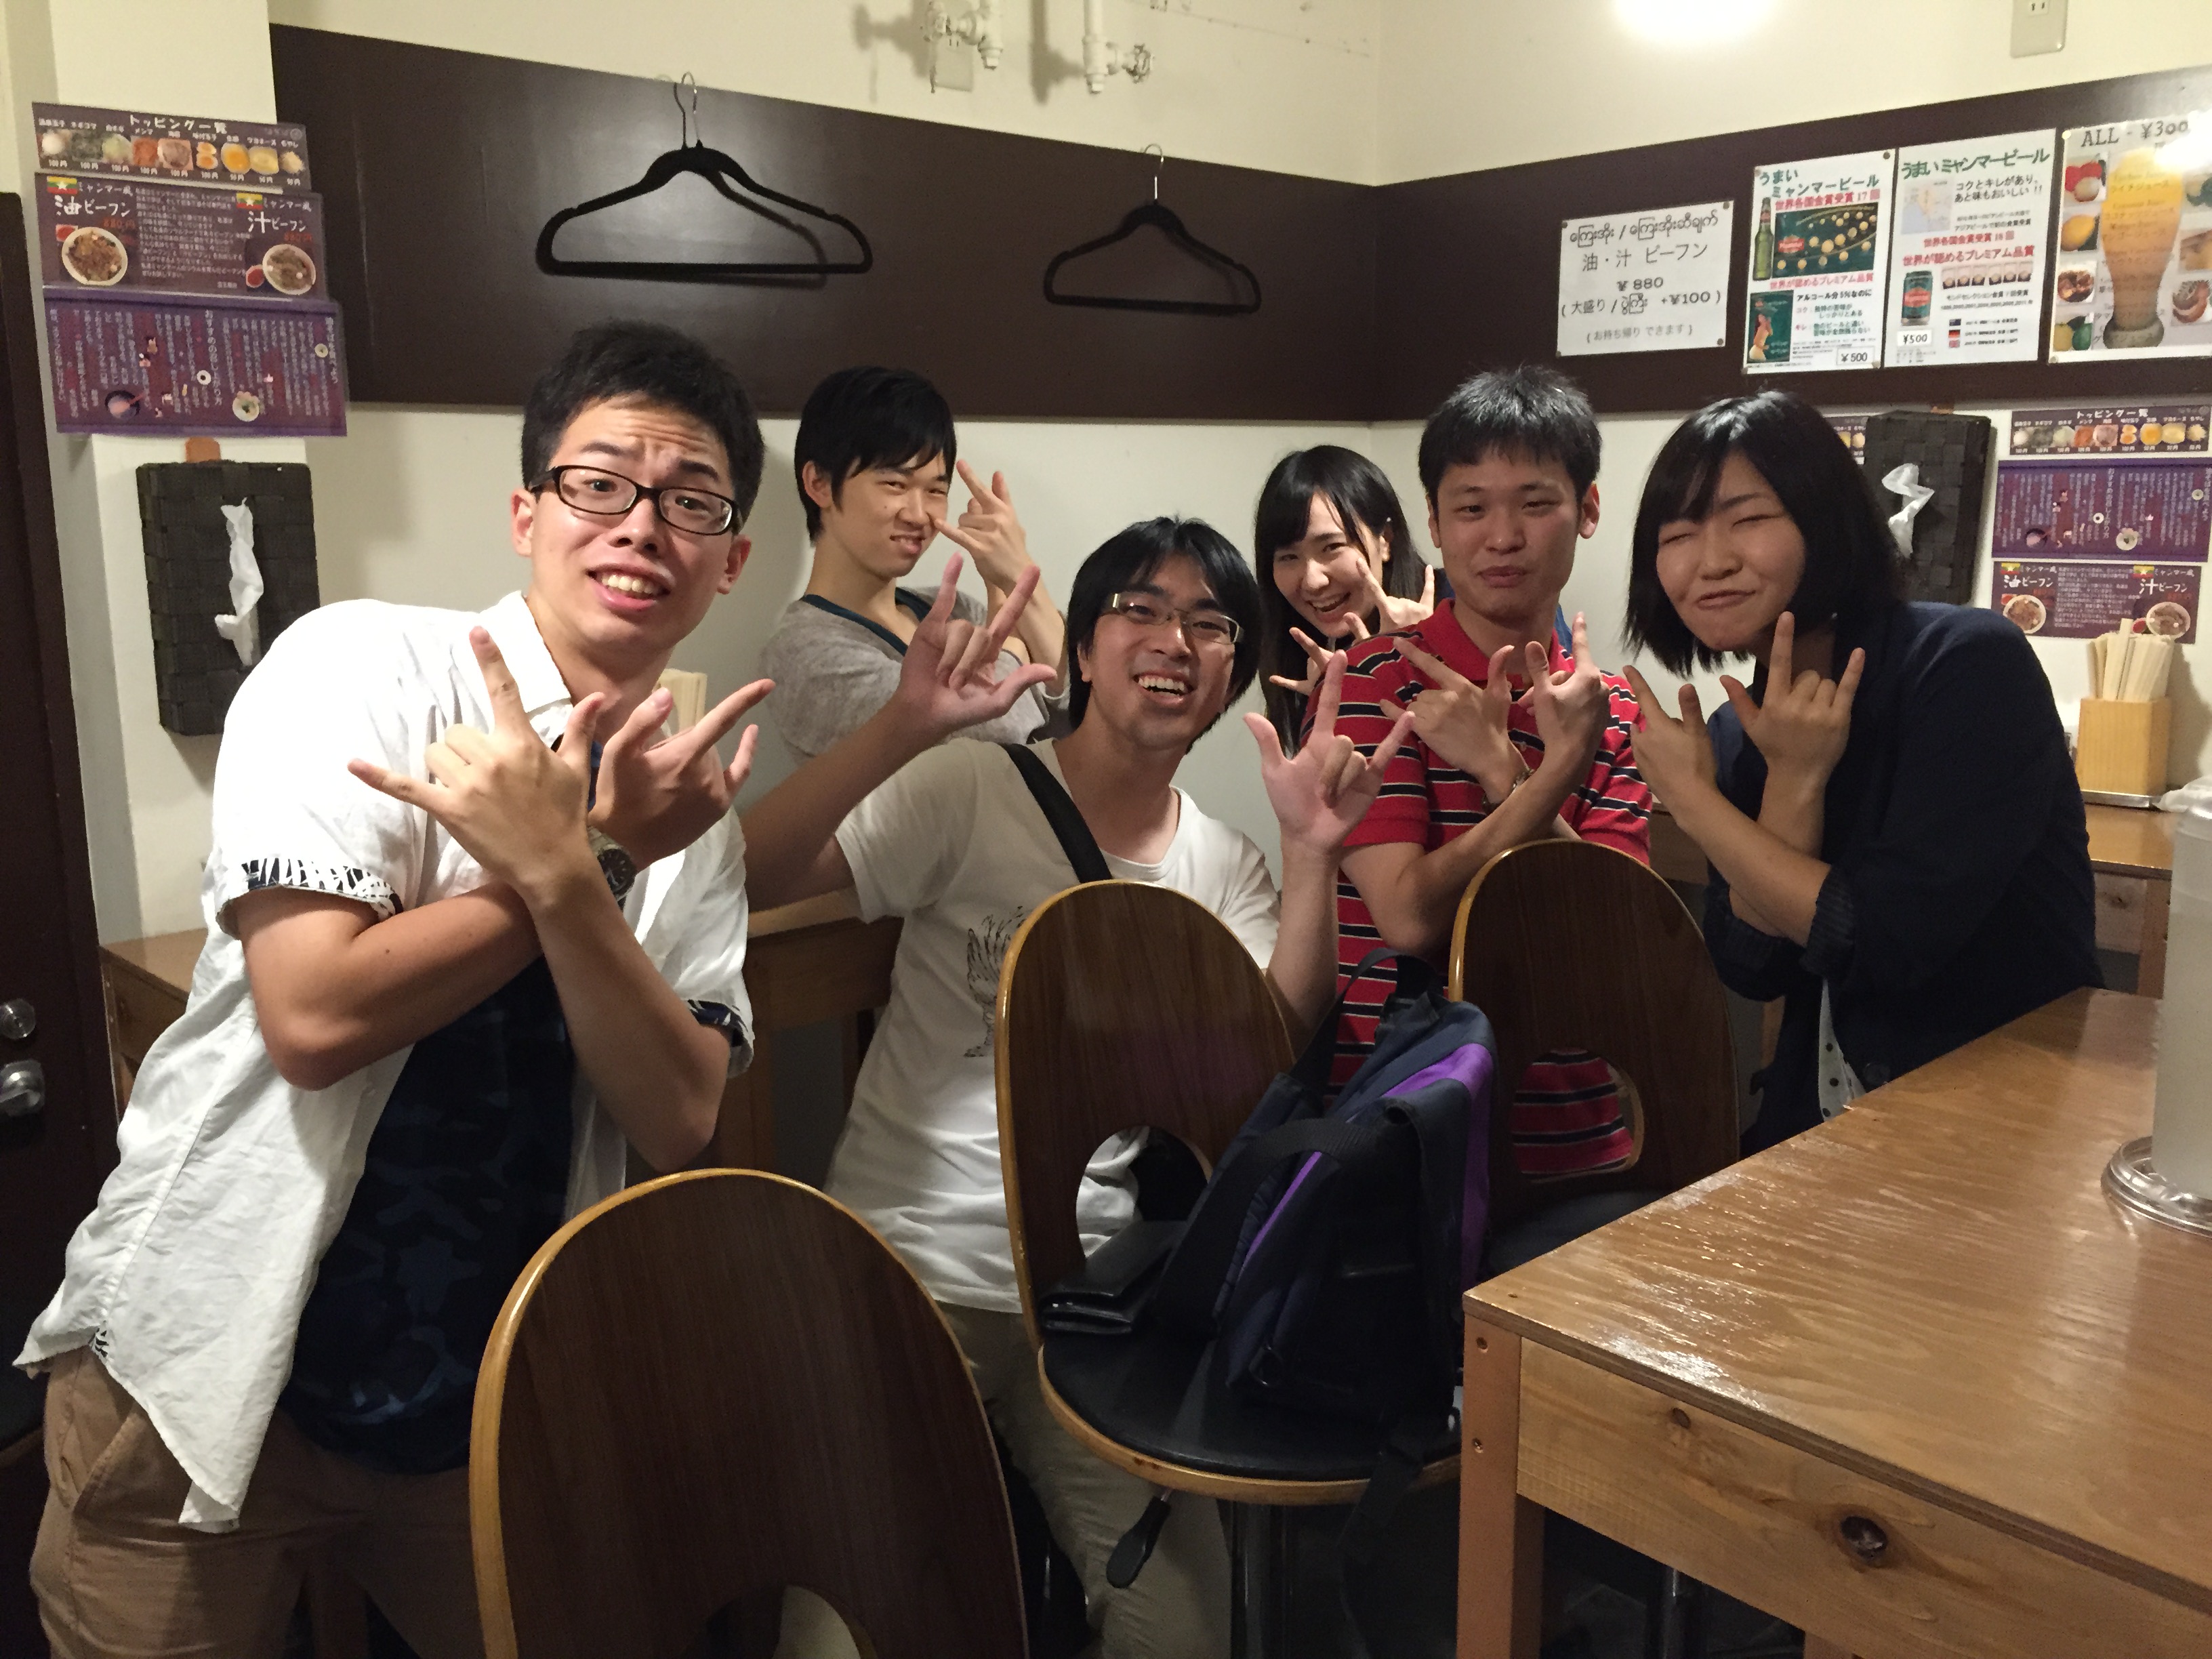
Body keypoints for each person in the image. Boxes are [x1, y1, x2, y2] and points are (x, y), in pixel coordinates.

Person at [20, 322, 773, 1659]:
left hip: (485, 1405)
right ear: (527, 513)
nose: (642, 524)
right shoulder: (362, 669)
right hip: (209, 1367)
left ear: (731, 559)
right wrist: (589, 859)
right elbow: (314, 1018)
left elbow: (675, 1116)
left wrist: (594, 857)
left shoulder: (687, 808)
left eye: (691, 500)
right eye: (600, 481)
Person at [741, 520, 1411, 1659]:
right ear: (1084, 651)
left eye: (1209, 624)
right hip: (907, 1272)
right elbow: (752, 872)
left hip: (1087, 1298)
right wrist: (903, 725)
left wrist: (1312, 852)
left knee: (1185, 1632)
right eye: (1140, 610)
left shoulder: (1221, 863)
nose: (1174, 641)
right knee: (848, 1625)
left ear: (1231, 676)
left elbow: (1271, 1046)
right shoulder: (970, 787)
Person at [1619, 389, 2097, 1151]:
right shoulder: (1739, 729)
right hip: (1831, 1129)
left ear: (1823, 520)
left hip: (2003, 1128)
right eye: (1677, 534)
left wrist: (1690, 799)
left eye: (1748, 519)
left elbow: (1887, 942)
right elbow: (1753, 964)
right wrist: (1792, 783)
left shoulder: (1967, 666)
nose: (1711, 561)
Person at [1324, 369, 1650, 1143]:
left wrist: (1503, 770)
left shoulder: (1615, 711)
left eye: (1535, 504)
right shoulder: (1375, 681)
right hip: (1399, 1135)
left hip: (1575, 1132)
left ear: (1588, 509)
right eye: (1471, 508)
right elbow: (1408, 917)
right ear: (1434, 523)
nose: (1502, 537)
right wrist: (1553, 778)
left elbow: (1613, 934)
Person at [758, 365, 1067, 764]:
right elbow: (992, 733)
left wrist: (1013, 573)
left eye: (936, 491)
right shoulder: (802, 652)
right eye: (895, 485)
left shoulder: (953, 608)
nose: (919, 515)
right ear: (819, 483)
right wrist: (1018, 646)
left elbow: (1087, 705)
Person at [1253, 443, 1438, 745]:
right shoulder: (1311, 659)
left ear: (1385, 540)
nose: (1312, 581)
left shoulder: (1463, 617)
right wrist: (1334, 702)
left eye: (1332, 547)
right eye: (1288, 557)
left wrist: (1427, 660)